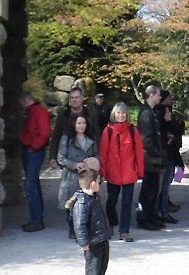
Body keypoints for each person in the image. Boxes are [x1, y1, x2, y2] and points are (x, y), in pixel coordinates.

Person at [98, 101, 143, 241]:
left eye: (123, 112)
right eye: (118, 112)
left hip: (129, 171)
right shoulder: (108, 131)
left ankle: (124, 231)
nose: (121, 115)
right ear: (114, 114)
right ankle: (111, 224)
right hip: (113, 172)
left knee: (127, 202)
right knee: (111, 201)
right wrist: (102, 172)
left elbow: (139, 152)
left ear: (127, 114)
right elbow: (103, 153)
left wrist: (139, 171)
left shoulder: (132, 130)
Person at [70, 167, 111, 275]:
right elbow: (79, 225)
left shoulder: (94, 198)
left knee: (103, 262)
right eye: (99, 181)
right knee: (94, 263)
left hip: (101, 236)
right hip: (93, 240)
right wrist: (83, 242)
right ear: (93, 184)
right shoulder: (82, 203)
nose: (100, 184)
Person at [56, 113, 99, 238]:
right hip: (71, 176)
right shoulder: (67, 139)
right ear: (74, 125)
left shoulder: (91, 140)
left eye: (83, 123)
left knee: (88, 202)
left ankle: (85, 228)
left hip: (87, 175)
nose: (81, 125)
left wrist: (92, 163)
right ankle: (73, 229)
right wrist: (75, 164)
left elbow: (96, 155)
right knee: (72, 203)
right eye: (79, 123)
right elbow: (61, 158)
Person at [135, 85, 167, 231]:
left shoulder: (151, 112)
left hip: (152, 158)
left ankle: (150, 217)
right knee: (148, 190)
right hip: (150, 159)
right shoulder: (146, 114)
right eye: (158, 94)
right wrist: (158, 153)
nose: (160, 97)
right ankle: (143, 218)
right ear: (152, 95)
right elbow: (146, 139)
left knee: (153, 190)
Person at [18, 90, 50, 231]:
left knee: (30, 186)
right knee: (33, 185)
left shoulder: (39, 111)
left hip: (34, 151)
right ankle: (37, 218)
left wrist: (33, 147)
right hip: (30, 150)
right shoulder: (33, 111)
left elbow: (45, 133)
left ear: (25, 101)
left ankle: (36, 219)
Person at [49, 87, 100, 166]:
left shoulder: (91, 114)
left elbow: (97, 135)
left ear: (82, 98)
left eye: (77, 97)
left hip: (87, 154)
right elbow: (56, 135)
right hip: (68, 155)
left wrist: (99, 155)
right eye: (72, 98)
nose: (74, 100)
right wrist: (52, 156)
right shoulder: (63, 115)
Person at [157, 97, 184, 224]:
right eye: (168, 113)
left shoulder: (170, 122)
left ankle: (165, 206)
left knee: (175, 175)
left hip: (173, 154)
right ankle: (162, 209)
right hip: (166, 157)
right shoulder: (162, 128)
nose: (170, 114)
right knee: (163, 185)